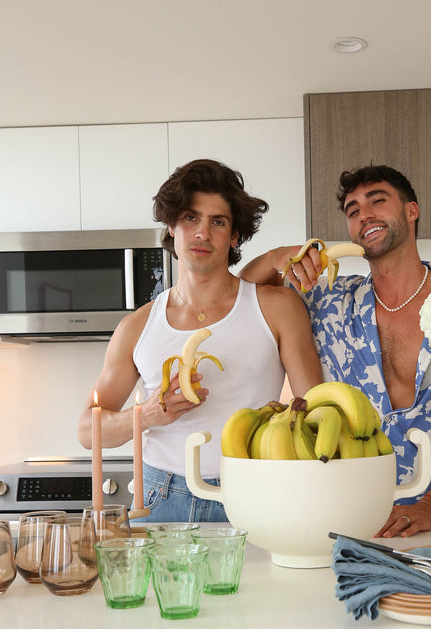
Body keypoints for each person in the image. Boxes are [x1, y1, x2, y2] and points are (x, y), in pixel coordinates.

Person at [240, 164, 431, 537]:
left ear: (412, 210)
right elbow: (236, 301)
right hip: (342, 519)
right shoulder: (329, 300)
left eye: (378, 201)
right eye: (353, 210)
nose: (365, 215)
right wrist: (272, 259)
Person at [77, 158, 322, 522]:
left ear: (234, 236)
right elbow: (87, 431)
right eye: (191, 218)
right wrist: (145, 415)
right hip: (160, 498)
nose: (202, 233)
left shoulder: (278, 307)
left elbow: (316, 409)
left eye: (218, 222)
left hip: (255, 492)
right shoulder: (136, 326)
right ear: (172, 227)